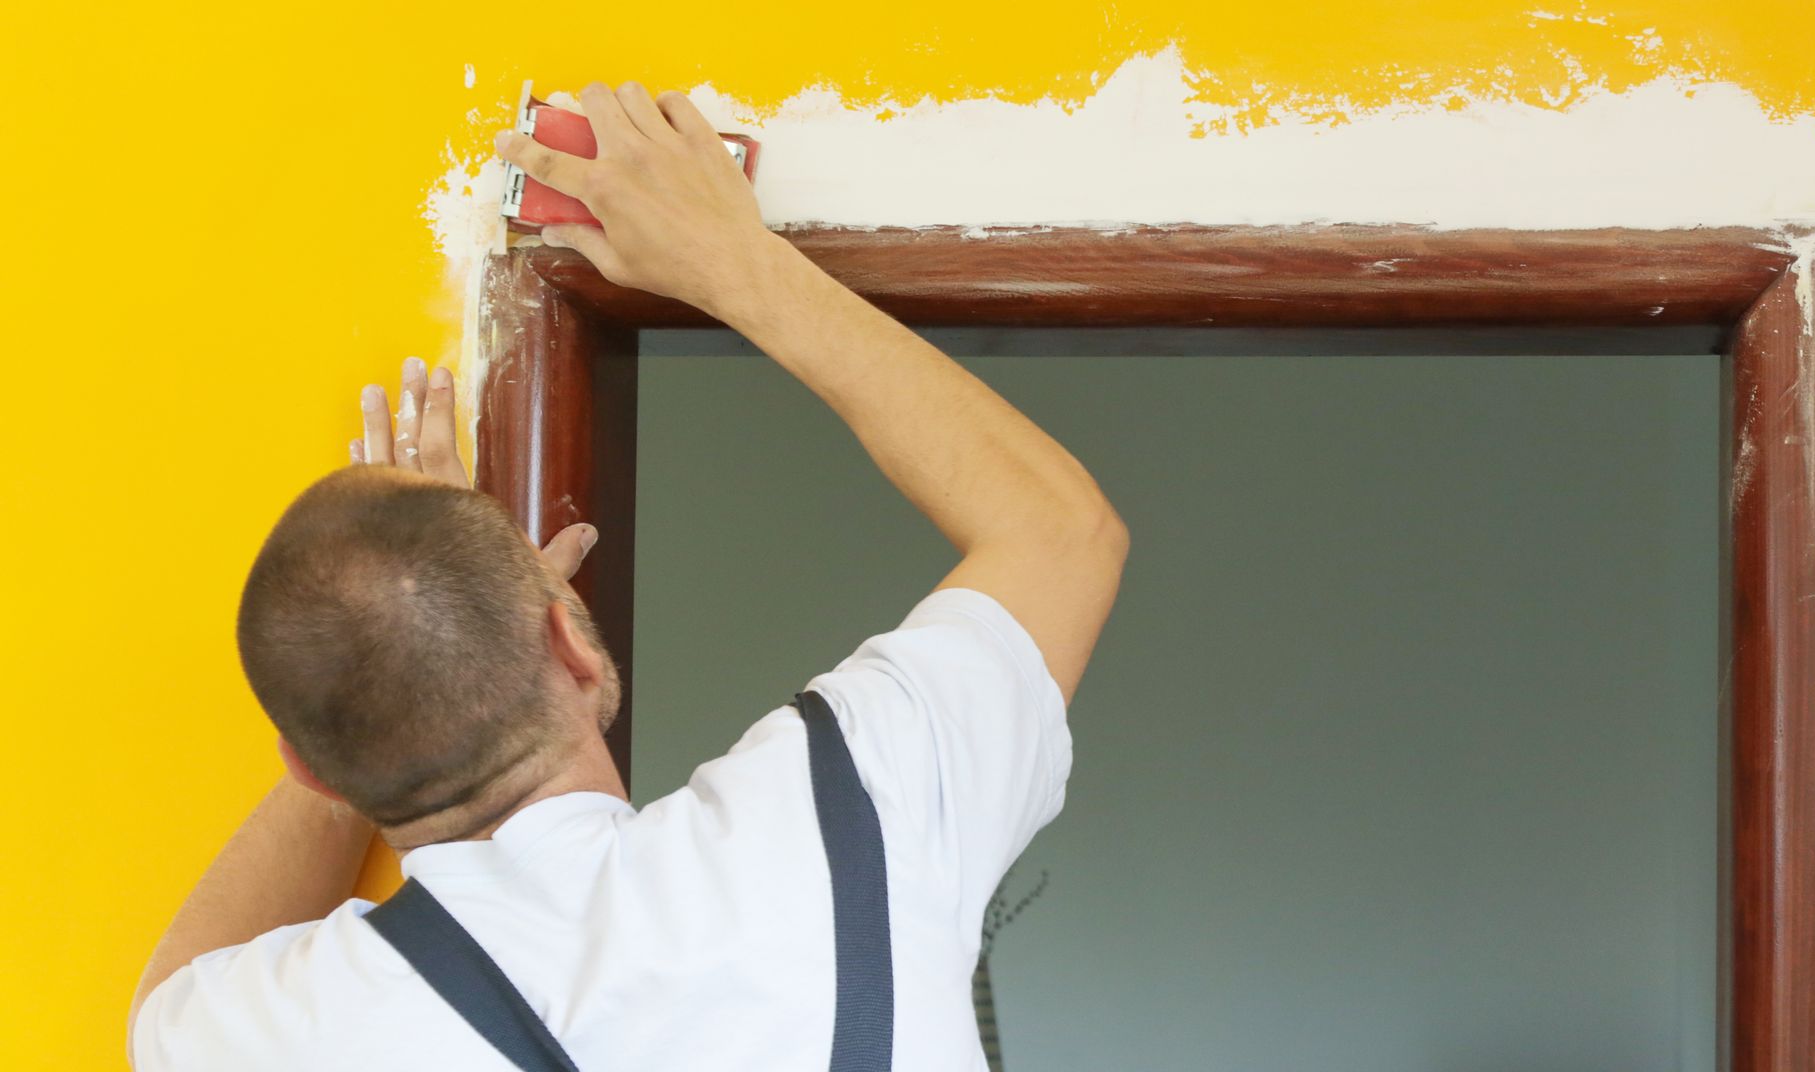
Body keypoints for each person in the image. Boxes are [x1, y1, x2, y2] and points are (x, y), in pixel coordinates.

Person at [129, 81, 1129, 1070]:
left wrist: (375, 678)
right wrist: (736, 263)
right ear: (571, 640)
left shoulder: (295, 1029)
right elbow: (1058, 529)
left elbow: (166, 999)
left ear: (313, 768)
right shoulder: (849, 816)